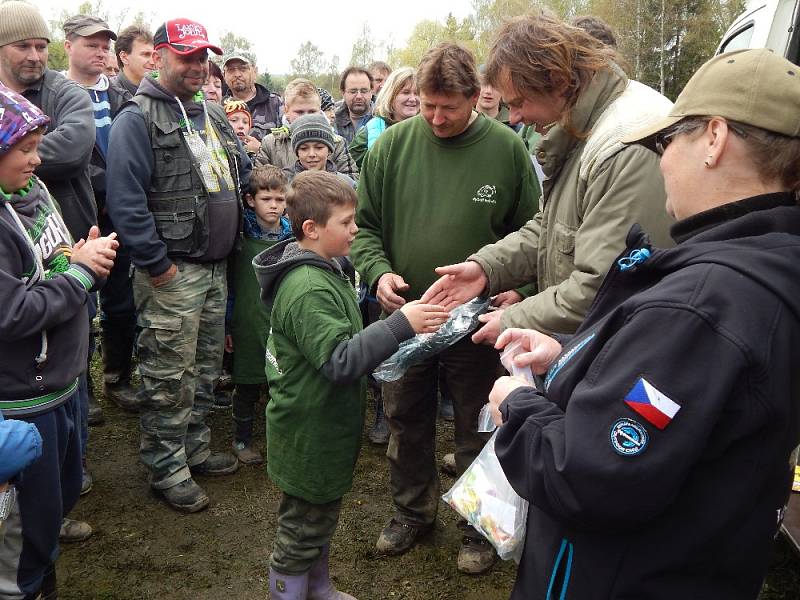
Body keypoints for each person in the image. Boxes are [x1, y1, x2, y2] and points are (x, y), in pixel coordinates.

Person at [486, 48, 800, 600]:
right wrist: (569, 353)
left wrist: (517, 403)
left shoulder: (700, 304)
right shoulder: (772, 261)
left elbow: (587, 476)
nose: (661, 161)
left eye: (665, 141)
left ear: (715, 139)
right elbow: (701, 401)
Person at [350, 42, 539, 575]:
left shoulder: (505, 149)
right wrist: (378, 273)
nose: (434, 117)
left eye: (447, 108)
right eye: (426, 105)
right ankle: (412, 512)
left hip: (477, 322)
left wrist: (518, 290)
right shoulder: (391, 146)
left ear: (475, 98)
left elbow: (534, 232)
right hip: (407, 317)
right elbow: (365, 227)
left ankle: (476, 525)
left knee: (478, 425)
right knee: (405, 417)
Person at [422, 12, 674, 345]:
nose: (514, 117)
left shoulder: (625, 144)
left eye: (519, 102)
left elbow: (606, 284)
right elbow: (552, 227)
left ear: (555, 81)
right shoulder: (583, 126)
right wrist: (486, 269)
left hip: (628, 346)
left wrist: (513, 318)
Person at [253, 170, 449, 599]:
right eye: (346, 222)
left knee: (321, 516)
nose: (356, 229)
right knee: (300, 529)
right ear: (312, 229)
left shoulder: (330, 268)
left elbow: (346, 339)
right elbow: (339, 360)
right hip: (308, 430)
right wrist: (400, 325)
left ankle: (318, 588)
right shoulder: (306, 288)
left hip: (327, 425)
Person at [105, 17, 251, 513]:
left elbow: (238, 173)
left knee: (206, 367)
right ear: (159, 56)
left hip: (214, 268)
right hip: (172, 271)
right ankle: (165, 466)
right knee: (168, 372)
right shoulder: (136, 118)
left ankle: (193, 447)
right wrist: (156, 263)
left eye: (202, 56)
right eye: (186, 55)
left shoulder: (210, 113)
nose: (197, 65)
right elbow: (125, 202)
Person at [0, 85, 118, 600]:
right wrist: (82, 275)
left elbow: (57, 251)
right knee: (25, 527)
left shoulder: (32, 190)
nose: (38, 158)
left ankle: (41, 573)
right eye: (24, 149)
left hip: (65, 382)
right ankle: (25, 587)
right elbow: (13, 312)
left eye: (38, 144)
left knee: (63, 494)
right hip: (24, 399)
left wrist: (78, 253)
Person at [226, 165, 291, 465]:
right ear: (251, 200)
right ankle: (241, 437)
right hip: (246, 320)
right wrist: (227, 324)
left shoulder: (291, 238)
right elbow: (228, 284)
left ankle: (282, 437)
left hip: (279, 322)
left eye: (280, 199)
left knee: (282, 380)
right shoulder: (237, 236)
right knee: (248, 381)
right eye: (267, 199)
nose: (274, 205)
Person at [255, 78, 358, 180]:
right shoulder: (271, 143)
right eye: (299, 112)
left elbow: (351, 181)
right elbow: (259, 183)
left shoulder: (336, 142)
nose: (305, 117)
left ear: (320, 110)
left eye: (312, 111)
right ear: (286, 111)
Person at [348, 66, 418, 170]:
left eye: (417, 93)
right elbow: (353, 173)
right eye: (406, 92)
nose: (413, 99)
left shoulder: (430, 130)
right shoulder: (368, 133)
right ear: (391, 96)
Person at [222, 53, 282, 140]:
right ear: (224, 75)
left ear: (255, 71)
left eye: (243, 69)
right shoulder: (218, 108)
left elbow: (287, 145)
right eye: (231, 70)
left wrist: (261, 150)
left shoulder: (275, 104)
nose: (237, 74)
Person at [288, 113, 355, 188]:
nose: (311, 154)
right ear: (297, 152)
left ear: (329, 150)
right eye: (304, 149)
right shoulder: (285, 184)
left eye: (319, 147)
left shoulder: (346, 185)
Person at [110, 25, 154, 100]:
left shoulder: (157, 92)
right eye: (146, 55)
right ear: (124, 57)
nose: (153, 62)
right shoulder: (109, 94)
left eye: (154, 56)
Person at [334, 67, 373, 144]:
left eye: (364, 91)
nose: (359, 96)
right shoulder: (333, 121)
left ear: (371, 92)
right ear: (343, 93)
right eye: (353, 91)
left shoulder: (383, 119)